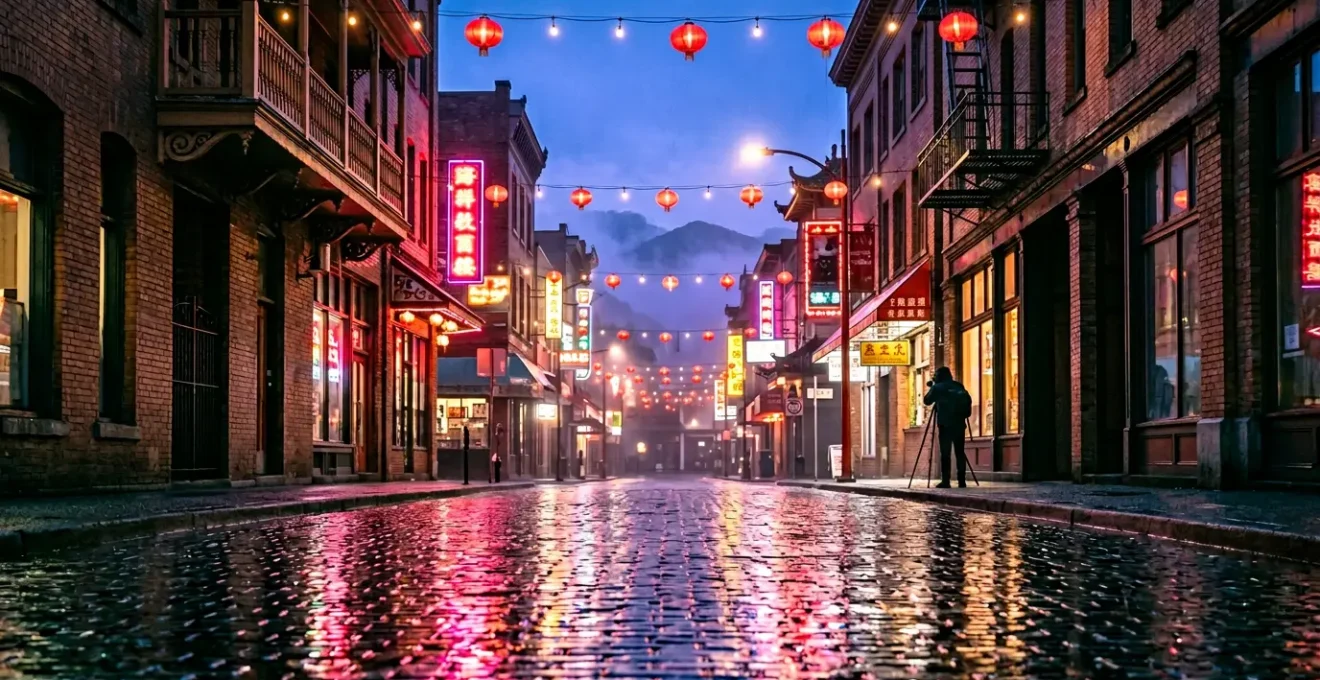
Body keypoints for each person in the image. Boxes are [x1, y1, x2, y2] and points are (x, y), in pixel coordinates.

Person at [923, 366, 972, 488]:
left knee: (945, 453)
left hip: (945, 425)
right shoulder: (958, 386)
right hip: (959, 424)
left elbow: (927, 401)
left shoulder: (938, 387)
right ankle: (962, 481)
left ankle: (946, 481)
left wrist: (933, 387)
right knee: (960, 452)